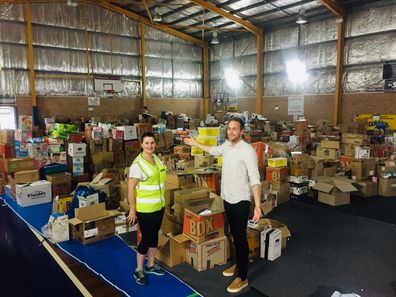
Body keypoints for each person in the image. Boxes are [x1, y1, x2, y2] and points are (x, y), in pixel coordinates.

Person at [184, 117, 261, 294]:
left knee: (240, 236)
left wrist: (257, 205)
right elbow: (212, 150)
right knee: (233, 233)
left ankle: (242, 277)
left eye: (235, 129)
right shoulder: (227, 146)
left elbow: (255, 179)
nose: (231, 131)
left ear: (242, 131)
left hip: (241, 201)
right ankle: (239, 264)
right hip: (227, 198)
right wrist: (194, 142)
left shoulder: (248, 151)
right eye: (229, 128)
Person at [127, 132, 167, 286]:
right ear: (141, 145)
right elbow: (131, 189)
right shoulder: (137, 165)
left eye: (152, 143)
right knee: (146, 239)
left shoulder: (157, 159)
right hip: (145, 210)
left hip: (159, 206)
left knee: (154, 237)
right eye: (147, 143)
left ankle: (150, 265)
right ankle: (138, 269)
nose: (150, 146)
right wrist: (132, 210)